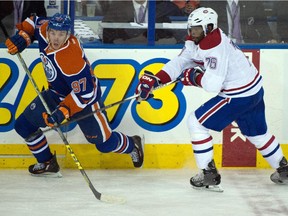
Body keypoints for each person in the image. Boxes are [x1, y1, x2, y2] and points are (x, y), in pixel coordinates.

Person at [135, 7, 288, 191]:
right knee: (257, 134)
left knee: (196, 123)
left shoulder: (215, 46)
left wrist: (192, 77)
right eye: (191, 28)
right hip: (252, 90)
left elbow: (212, 85)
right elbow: (181, 62)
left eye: (197, 29)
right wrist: (157, 79)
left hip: (237, 94)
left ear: (209, 27)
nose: (192, 33)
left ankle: (209, 174)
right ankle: (284, 169)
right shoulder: (199, 39)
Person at [5, 13, 144, 177]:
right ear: (48, 30)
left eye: (61, 34)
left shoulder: (70, 58)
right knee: (23, 125)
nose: (56, 38)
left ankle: (132, 144)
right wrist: (23, 37)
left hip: (85, 102)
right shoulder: (43, 29)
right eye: (53, 33)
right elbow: (33, 21)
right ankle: (47, 162)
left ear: (68, 34)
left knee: (104, 144)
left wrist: (62, 112)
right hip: (56, 94)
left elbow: (86, 93)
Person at [101, 0, 182, 44]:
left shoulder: (164, 6)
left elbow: (179, 26)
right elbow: (107, 31)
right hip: (127, 45)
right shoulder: (117, 7)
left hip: (155, 44)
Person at [199, 0, 273, 43]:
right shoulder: (210, 3)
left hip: (248, 47)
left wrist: (270, 40)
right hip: (221, 47)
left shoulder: (253, 3)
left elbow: (265, 31)